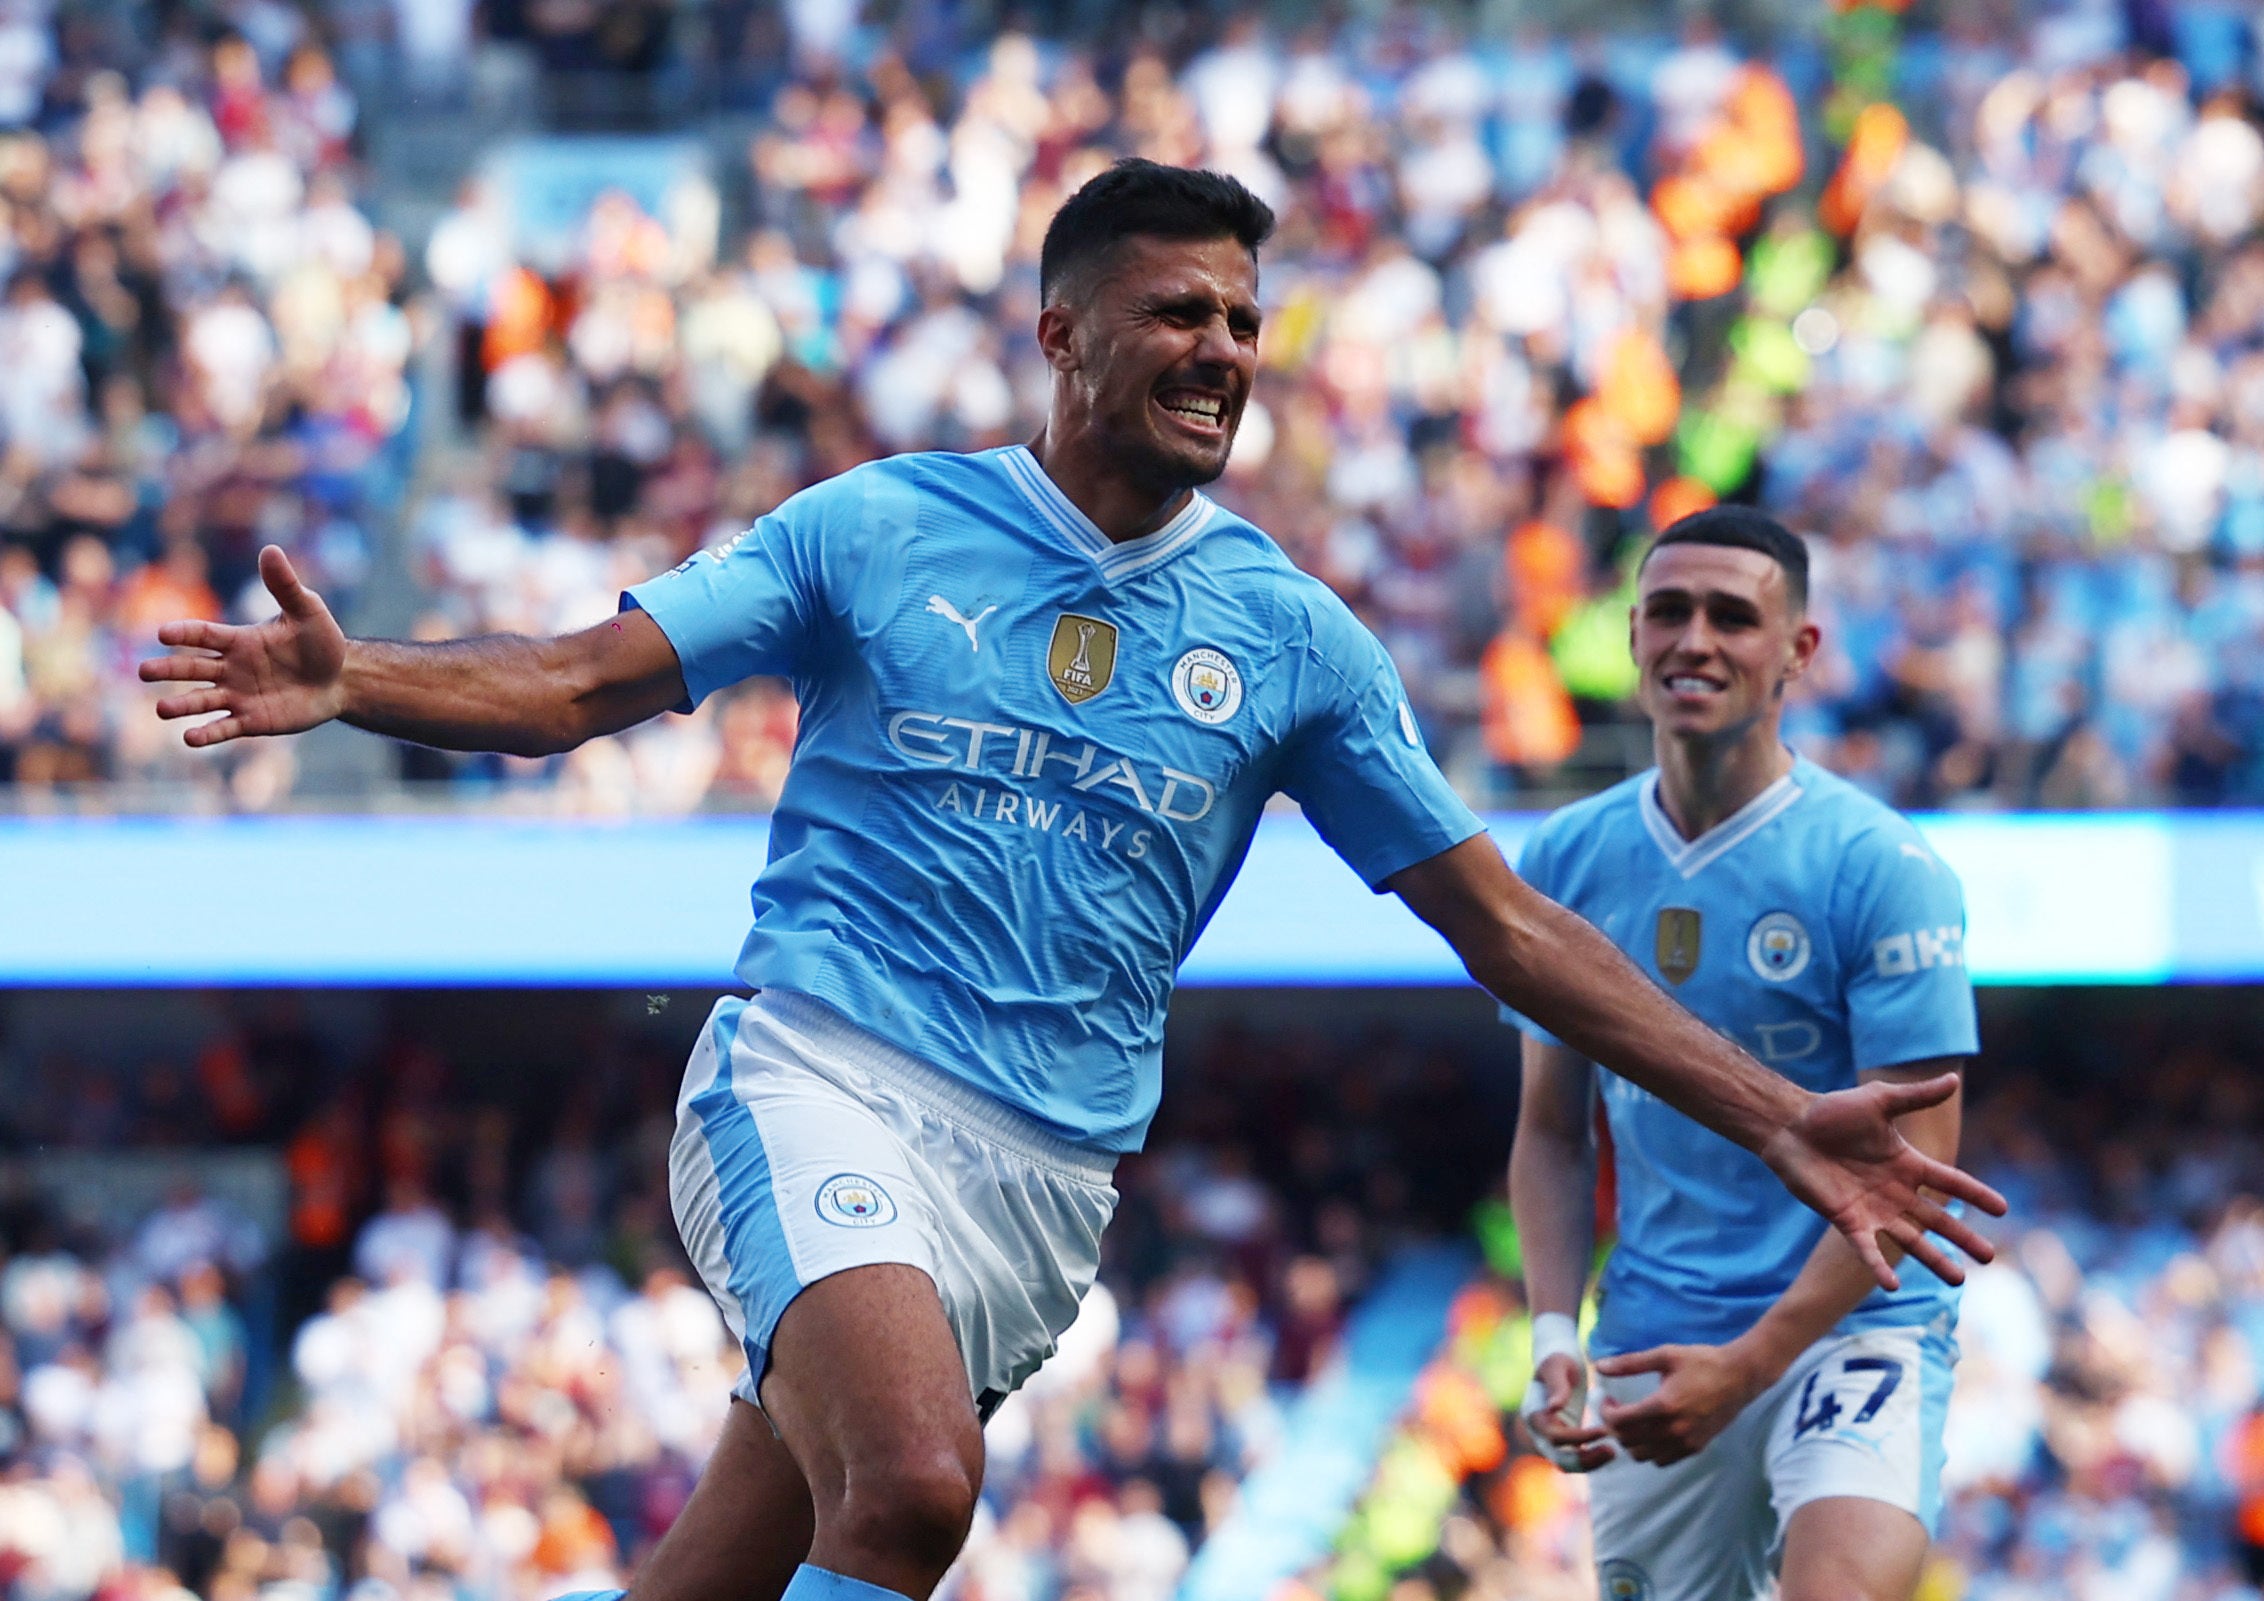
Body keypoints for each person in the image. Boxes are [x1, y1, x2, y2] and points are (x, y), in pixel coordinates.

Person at [143, 162, 2002, 1601]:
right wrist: (356, 676)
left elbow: (1499, 927)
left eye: (1244, 321)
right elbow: (571, 683)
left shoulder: (1288, 636)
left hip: (1043, 1187)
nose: (1219, 350)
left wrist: (1774, 1116)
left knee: (730, 1560)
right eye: (1177, 312)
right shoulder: (875, 527)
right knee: (916, 1488)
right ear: (1060, 331)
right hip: (817, 1076)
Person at [1507, 506, 1980, 1601]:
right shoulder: (1569, 856)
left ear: (1797, 651)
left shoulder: (1880, 867)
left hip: (1851, 1323)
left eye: (1732, 616)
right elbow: (1548, 1131)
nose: (1694, 641)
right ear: (1629, 634)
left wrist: (1753, 1364)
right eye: (1667, 612)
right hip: (1655, 1338)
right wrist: (1548, 1327)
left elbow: (1904, 1185)